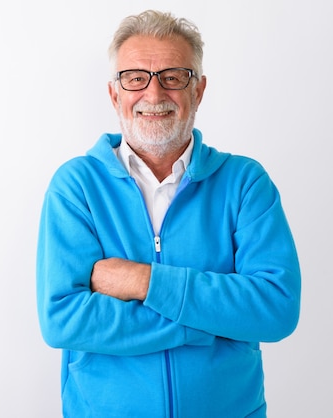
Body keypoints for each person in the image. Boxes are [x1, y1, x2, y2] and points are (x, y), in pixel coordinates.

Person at [36, 9, 301, 418]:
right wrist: (208, 322)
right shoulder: (77, 186)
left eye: (173, 77)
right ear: (115, 94)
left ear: (199, 90)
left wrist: (141, 280)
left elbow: (276, 308)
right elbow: (64, 320)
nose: (154, 95)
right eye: (135, 77)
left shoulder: (245, 182)